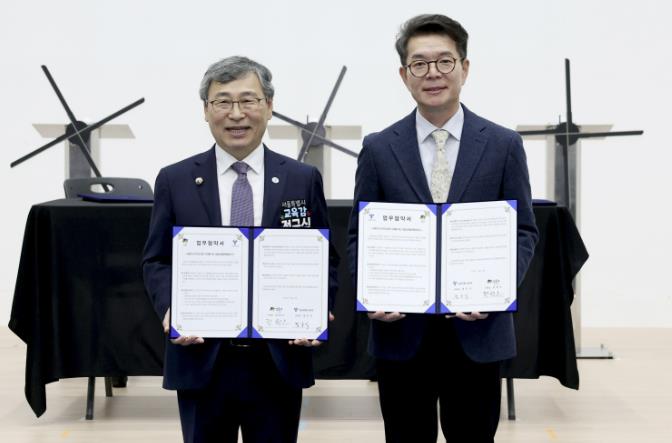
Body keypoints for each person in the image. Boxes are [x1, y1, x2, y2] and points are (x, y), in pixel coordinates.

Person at [347, 14, 538, 443]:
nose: (432, 73)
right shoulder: (378, 148)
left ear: (464, 68)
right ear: (404, 75)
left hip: (478, 332)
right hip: (402, 332)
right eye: (419, 63)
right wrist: (371, 292)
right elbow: (360, 234)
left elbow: (524, 231)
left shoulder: (503, 145)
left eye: (445, 61)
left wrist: (496, 288)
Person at [143, 56, 338, 443]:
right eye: (223, 102)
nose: (236, 114)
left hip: (278, 358)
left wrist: (319, 308)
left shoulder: (301, 179)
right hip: (201, 357)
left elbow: (323, 257)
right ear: (205, 110)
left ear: (269, 106)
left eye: (248, 100)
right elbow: (157, 259)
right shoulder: (175, 179)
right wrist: (170, 308)